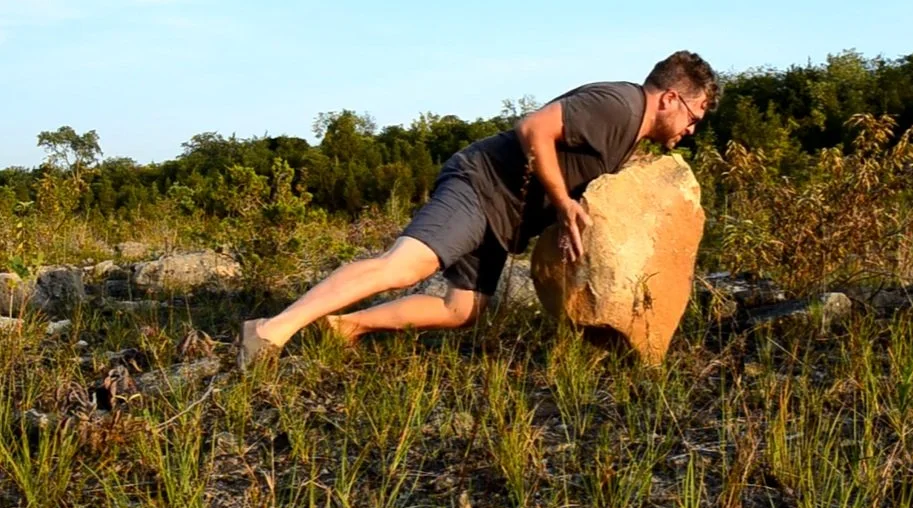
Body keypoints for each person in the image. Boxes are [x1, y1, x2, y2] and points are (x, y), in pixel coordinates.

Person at [237, 50, 719, 368]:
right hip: (481, 183)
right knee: (406, 265)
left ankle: (346, 325)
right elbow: (533, 128)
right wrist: (561, 201)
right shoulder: (618, 104)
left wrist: (568, 222)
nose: (692, 129)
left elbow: (576, 182)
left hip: (503, 219)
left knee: (460, 309)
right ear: (671, 98)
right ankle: (270, 330)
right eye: (694, 117)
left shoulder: (629, 135)